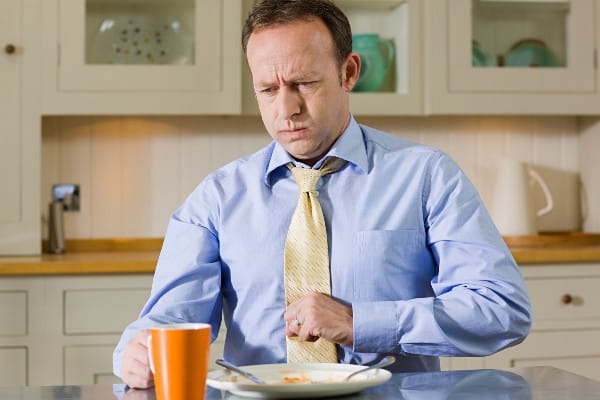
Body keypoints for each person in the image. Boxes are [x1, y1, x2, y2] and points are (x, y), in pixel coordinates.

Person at [114, 0, 531, 389]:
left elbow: (502, 309)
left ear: (348, 72)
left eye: (304, 83)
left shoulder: (426, 176)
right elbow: (168, 320)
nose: (286, 109)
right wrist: (135, 353)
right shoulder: (216, 198)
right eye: (268, 89)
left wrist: (360, 322)